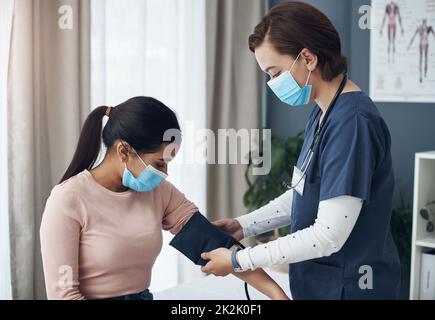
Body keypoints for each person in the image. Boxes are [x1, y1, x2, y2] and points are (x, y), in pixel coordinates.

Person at [201, 1, 401, 300]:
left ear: (307, 57)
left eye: (275, 72)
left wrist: (238, 260)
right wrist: (243, 225)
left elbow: (328, 235)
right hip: (320, 284)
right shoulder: (322, 112)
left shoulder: (353, 123)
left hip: (349, 287)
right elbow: (302, 194)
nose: (272, 83)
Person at [40, 96, 289, 300]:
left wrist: (275, 293)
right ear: (124, 150)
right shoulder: (68, 200)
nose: (165, 173)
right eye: (159, 163)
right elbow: (64, 295)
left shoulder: (159, 192)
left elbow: (213, 242)